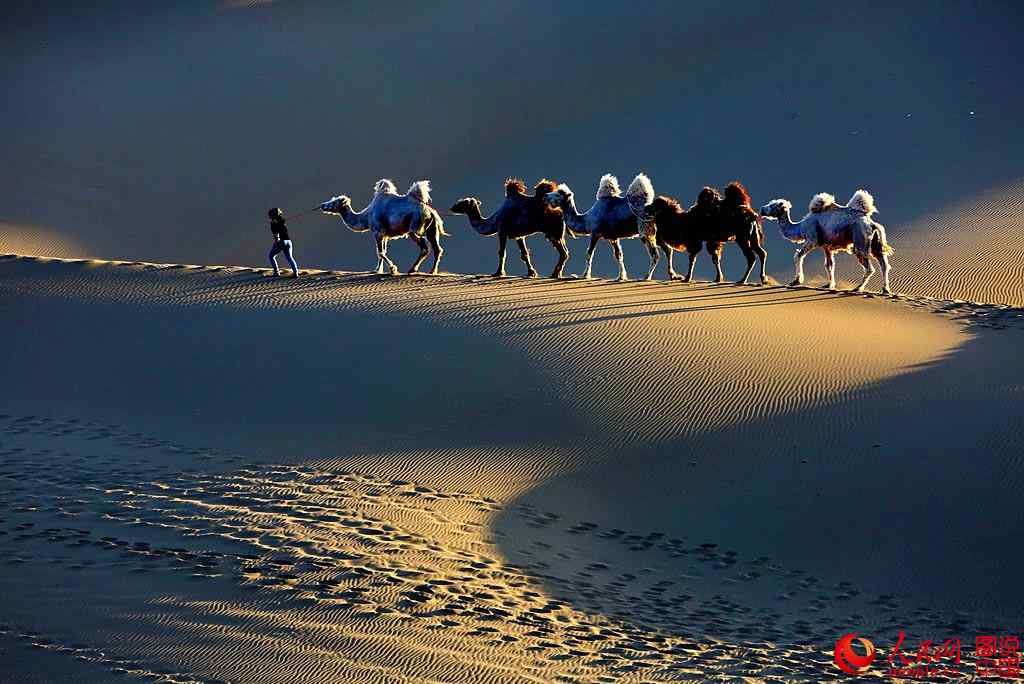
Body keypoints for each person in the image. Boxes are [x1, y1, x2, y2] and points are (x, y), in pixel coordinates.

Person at [267, 207, 299, 277]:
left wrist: (276, 242)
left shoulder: (273, 224)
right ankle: (296, 273)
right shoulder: (282, 221)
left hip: (281, 241)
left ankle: (276, 272)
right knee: (290, 258)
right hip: (288, 241)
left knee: (271, 256)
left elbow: (276, 235)